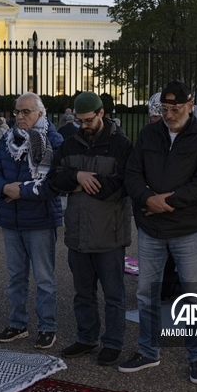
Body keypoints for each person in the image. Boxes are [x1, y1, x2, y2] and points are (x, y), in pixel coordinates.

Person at [121, 80, 197, 383]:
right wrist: (147, 199)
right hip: (151, 228)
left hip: (187, 228)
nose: (169, 114)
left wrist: (168, 202)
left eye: (175, 108)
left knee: (192, 294)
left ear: (190, 106)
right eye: (164, 109)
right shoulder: (149, 134)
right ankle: (148, 350)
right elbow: (132, 173)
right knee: (147, 293)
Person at [48, 91, 133, 365]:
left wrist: (81, 184)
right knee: (82, 293)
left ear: (101, 114)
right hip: (78, 233)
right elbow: (53, 178)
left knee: (113, 294)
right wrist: (77, 176)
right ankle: (87, 338)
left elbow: (121, 183)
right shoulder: (70, 143)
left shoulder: (121, 145)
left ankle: (113, 342)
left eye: (87, 120)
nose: (83, 125)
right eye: (79, 120)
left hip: (109, 234)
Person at [0, 92, 65, 349]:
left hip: (40, 221)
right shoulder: (7, 140)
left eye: (26, 112)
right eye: (17, 112)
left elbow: (53, 183)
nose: (19, 116)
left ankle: (47, 326)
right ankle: (17, 323)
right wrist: (4, 188)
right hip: (11, 220)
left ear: (40, 114)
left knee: (44, 279)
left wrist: (20, 191)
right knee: (15, 278)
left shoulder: (53, 140)